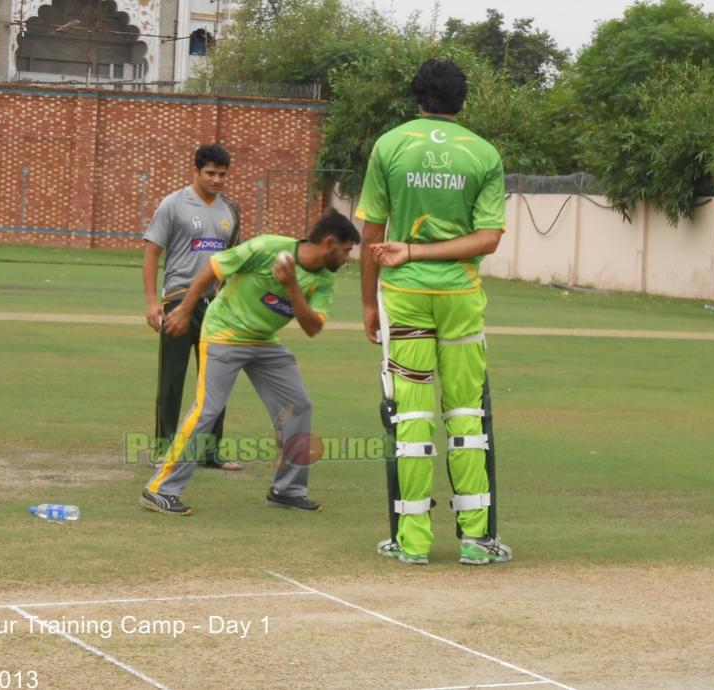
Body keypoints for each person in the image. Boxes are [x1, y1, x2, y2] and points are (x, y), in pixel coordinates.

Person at [357, 58, 513, 566]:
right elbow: (488, 238)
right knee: (467, 414)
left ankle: (413, 541)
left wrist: (366, 303)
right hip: (460, 297)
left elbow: (372, 235)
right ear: (462, 101)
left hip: (401, 295)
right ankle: (476, 541)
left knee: (412, 415)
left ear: (417, 98)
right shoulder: (483, 153)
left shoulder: (391, 145)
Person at [140, 209, 360, 516]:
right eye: (347, 250)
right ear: (329, 243)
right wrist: (186, 309)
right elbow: (214, 267)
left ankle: (287, 489)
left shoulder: (325, 279)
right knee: (208, 409)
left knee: (298, 405)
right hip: (225, 333)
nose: (348, 258)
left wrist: (293, 287)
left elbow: (313, 327)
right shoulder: (268, 248)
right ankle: (160, 489)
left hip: (264, 340)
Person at [143, 143, 242, 471]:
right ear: (196, 171)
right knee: (171, 379)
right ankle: (163, 449)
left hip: (215, 306)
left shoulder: (230, 210)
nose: (217, 180)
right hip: (177, 302)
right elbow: (152, 252)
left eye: (222, 174)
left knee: (216, 379)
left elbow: (233, 261)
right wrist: (151, 302)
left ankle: (210, 452)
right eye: (210, 173)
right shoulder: (174, 204)